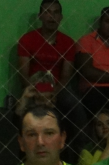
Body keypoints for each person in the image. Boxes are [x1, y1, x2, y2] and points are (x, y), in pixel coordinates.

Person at [17, 0, 87, 152]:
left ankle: (81, 150)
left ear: (61, 17)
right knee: (22, 106)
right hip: (33, 86)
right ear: (40, 16)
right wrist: (37, 91)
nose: (51, 16)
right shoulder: (27, 39)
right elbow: (23, 74)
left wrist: (52, 93)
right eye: (47, 12)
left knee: (75, 105)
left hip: (57, 88)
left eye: (55, 12)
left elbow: (66, 76)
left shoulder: (68, 42)